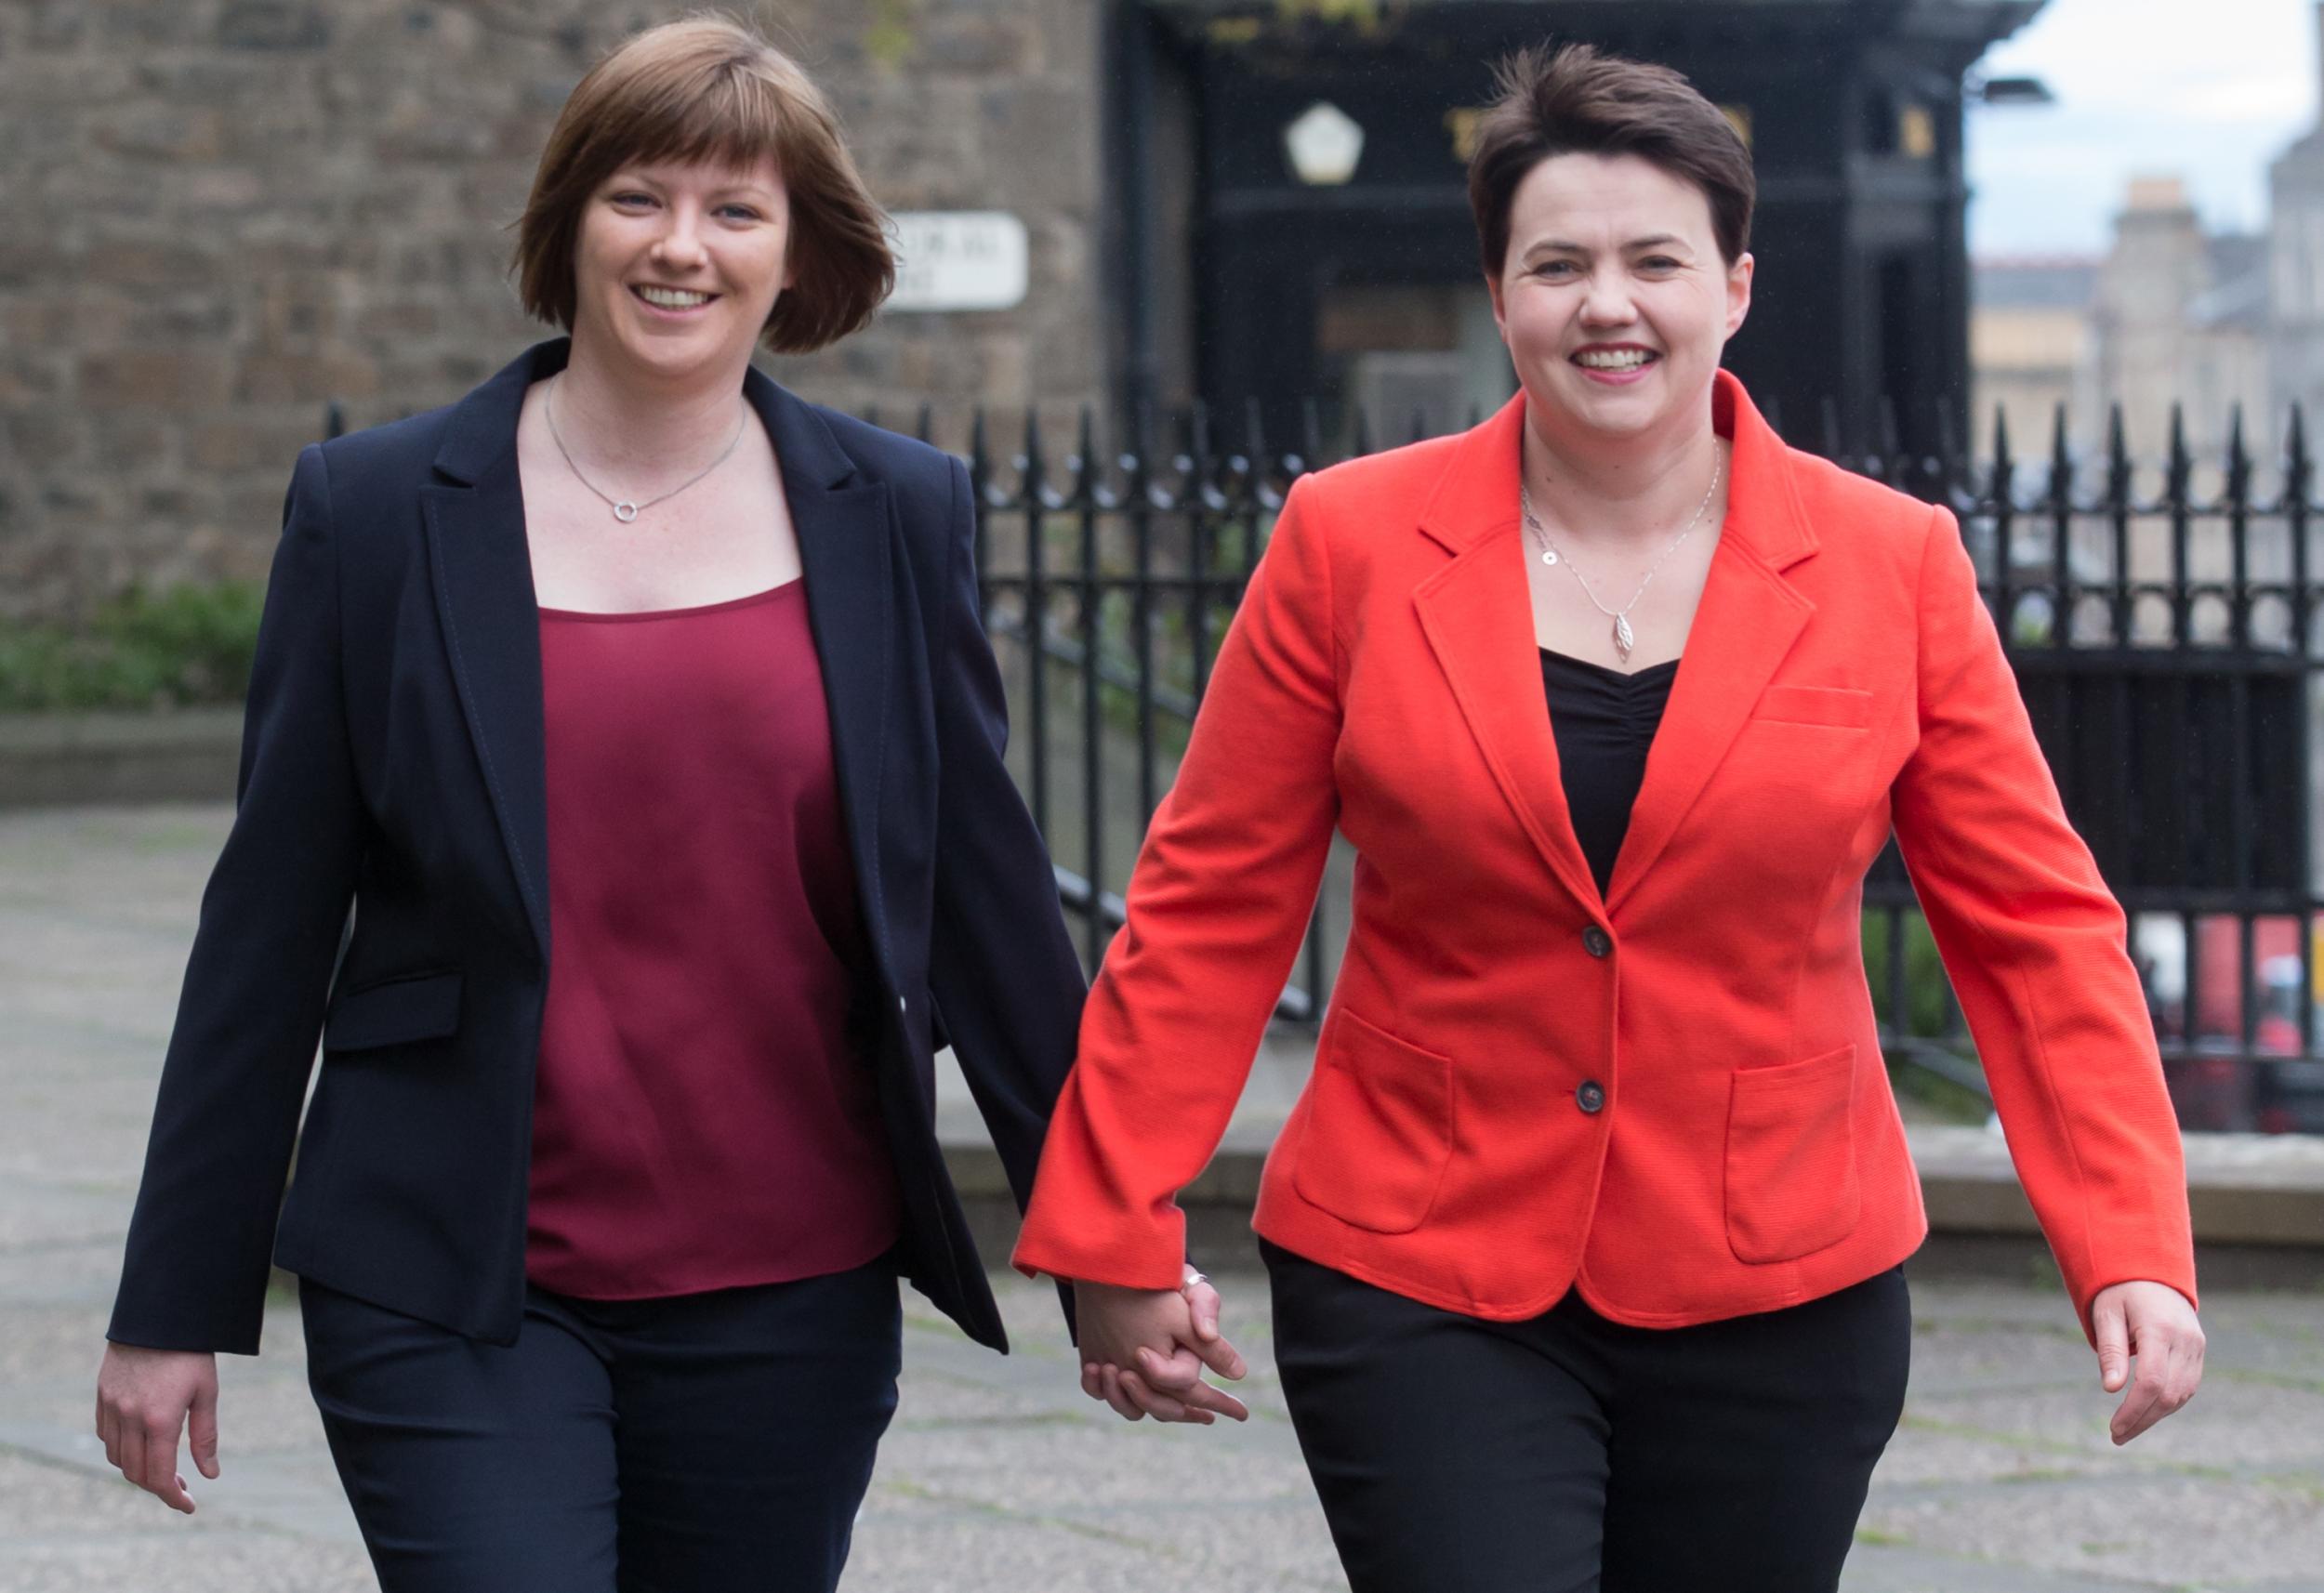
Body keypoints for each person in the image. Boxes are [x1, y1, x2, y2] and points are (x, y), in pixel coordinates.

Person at [1013, 41, 2206, 1593]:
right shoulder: (1348, 541)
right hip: (1417, 1261)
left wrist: (2130, 1240)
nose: (1608, 304)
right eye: (1557, 263)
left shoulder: (1889, 563)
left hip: (1786, 1277)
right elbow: (1208, 907)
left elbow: (2039, 930)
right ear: (1501, 294)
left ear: (1738, 286)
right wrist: (1113, 1229)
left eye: (1656, 260)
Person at [92, 16, 1106, 1590]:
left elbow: (982, 899)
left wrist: (1105, 1239)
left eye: (735, 210)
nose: (680, 247)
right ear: (566, 222)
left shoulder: (895, 514)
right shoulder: (377, 516)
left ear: (796, 253)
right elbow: (268, 928)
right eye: (638, 197)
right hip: (449, 1262)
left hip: (791, 1274)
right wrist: (174, 1299)